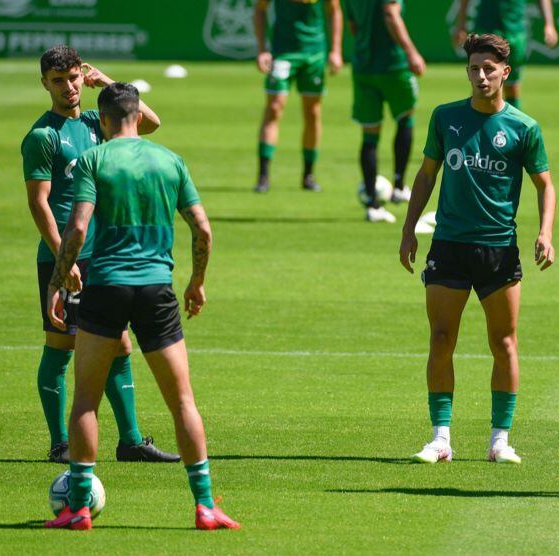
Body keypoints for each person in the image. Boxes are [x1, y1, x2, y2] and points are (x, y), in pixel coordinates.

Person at [44, 83, 239, 531]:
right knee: (182, 402)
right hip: (157, 290)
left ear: (105, 119)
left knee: (86, 402)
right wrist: (197, 281)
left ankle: (77, 509)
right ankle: (205, 506)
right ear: (136, 114)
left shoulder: (95, 159)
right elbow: (203, 230)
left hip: (107, 287)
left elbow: (75, 229)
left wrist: (59, 281)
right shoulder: (170, 161)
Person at [398, 34, 556, 466]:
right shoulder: (445, 117)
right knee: (441, 338)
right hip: (448, 245)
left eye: (489, 68)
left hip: (499, 249)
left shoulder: (523, 128)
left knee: (504, 343)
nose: (481, 76)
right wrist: (410, 228)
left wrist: (545, 232)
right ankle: (440, 438)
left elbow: (545, 185)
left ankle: (500, 440)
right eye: (474, 68)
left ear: (506, 72)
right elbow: (427, 175)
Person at [21, 46, 177, 464]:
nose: (69, 87)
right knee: (60, 345)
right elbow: (40, 203)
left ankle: (131, 441)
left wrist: (108, 83)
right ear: (44, 84)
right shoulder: (43, 136)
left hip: (105, 255)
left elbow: (151, 123)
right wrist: (61, 259)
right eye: (58, 80)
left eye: (73, 77)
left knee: (120, 345)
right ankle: (59, 444)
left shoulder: (96, 122)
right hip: (65, 255)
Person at [344, 0, 426, 222]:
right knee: (405, 118)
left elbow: (352, 26)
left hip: (363, 66)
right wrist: (411, 52)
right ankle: (399, 186)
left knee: (369, 134)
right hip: (392, 65)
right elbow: (390, 14)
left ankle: (372, 204)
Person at [252, 0, 343, 193]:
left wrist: (336, 50)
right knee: (274, 108)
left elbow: (334, 11)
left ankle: (308, 174)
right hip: (283, 52)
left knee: (312, 112)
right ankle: (263, 175)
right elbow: (260, 9)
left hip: (314, 54)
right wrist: (261, 49)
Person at [451, 0, 558, 110]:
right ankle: (474, 124)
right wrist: (461, 24)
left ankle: (512, 125)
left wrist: (549, 24)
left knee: (512, 86)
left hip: (515, 31)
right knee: (482, 84)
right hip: (486, 29)